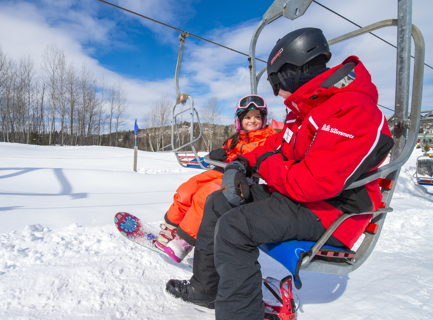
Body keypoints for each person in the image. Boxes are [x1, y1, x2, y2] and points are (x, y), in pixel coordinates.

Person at [165, 27, 395, 319]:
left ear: (291, 71)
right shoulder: (311, 111)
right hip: (301, 200)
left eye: (275, 82)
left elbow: (312, 183)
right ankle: (206, 288)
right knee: (217, 202)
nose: (278, 93)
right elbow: (276, 144)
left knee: (235, 227)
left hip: (332, 211)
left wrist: (262, 166)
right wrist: (244, 163)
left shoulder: (352, 110)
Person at [155, 95, 276, 263]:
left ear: (263, 119)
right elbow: (221, 155)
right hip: (222, 172)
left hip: (241, 179)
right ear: (239, 120)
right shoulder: (236, 138)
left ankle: (184, 241)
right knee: (187, 189)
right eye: (247, 117)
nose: (252, 120)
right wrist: (215, 155)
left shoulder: (268, 139)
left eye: (257, 117)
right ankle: (170, 229)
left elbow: (270, 159)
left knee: (205, 195)